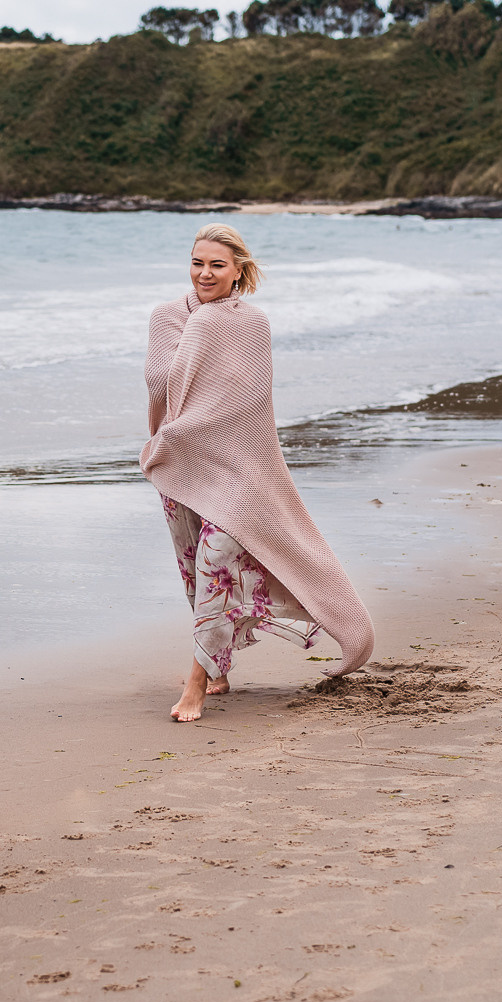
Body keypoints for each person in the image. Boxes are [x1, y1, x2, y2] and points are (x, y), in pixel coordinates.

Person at [139, 223, 376, 721]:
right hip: (181, 459)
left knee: (215, 568)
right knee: (192, 568)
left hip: (240, 467)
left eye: (217, 264)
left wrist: (209, 329)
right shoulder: (167, 318)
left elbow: (248, 404)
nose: (205, 273)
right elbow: (160, 385)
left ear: (239, 270)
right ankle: (218, 664)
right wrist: (168, 436)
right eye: (197, 262)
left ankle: (196, 684)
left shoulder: (251, 324)